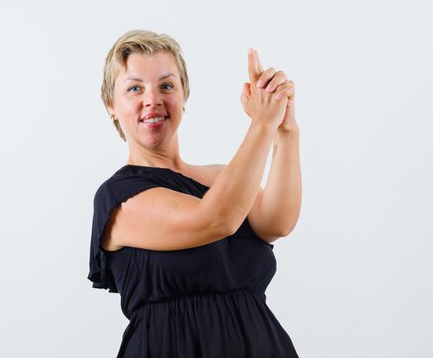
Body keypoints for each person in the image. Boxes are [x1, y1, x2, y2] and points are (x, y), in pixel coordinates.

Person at [87, 29, 302, 357]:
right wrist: (260, 124)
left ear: (184, 95)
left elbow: (277, 222)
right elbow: (216, 219)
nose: (153, 100)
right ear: (111, 106)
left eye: (167, 86)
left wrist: (284, 130)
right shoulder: (117, 199)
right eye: (134, 88)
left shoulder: (221, 180)